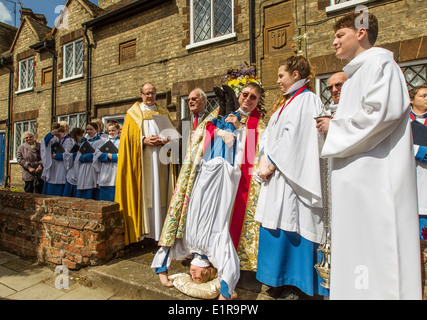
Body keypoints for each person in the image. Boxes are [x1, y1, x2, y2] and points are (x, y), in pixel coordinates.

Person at [320, 11, 421, 299]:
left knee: (376, 253)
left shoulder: (380, 65)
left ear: (361, 32)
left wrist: (335, 127)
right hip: (357, 181)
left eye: (340, 35)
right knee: (357, 248)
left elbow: (380, 114)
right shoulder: (356, 74)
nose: (334, 42)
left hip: (375, 182)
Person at [154, 82, 266, 300]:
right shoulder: (216, 247)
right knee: (221, 137)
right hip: (226, 173)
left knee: (213, 164)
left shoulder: (259, 125)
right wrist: (226, 291)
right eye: (246, 95)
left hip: (220, 173)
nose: (249, 99)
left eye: (253, 97)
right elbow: (204, 134)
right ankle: (228, 107)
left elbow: (252, 156)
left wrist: (163, 271)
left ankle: (227, 109)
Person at [254, 56, 327, 298]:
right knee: (275, 224)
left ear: (296, 75)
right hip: (276, 178)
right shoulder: (286, 103)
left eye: (281, 76)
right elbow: (270, 134)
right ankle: (277, 279)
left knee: (293, 223)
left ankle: (296, 283)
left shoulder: (308, 100)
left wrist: (271, 164)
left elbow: (295, 140)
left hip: (293, 179)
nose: (277, 81)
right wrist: (264, 155)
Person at [115, 83, 175, 245]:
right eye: (147, 93)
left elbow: (173, 138)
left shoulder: (163, 112)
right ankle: (144, 234)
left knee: (161, 193)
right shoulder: (133, 114)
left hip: (162, 162)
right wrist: (143, 140)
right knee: (147, 194)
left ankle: (161, 231)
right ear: (140, 95)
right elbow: (126, 141)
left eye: (153, 93)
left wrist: (167, 140)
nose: (150, 96)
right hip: (142, 162)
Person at [409, 84, 427, 239]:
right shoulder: (403, 121)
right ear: (411, 99)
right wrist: (418, 151)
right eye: (423, 95)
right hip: (412, 177)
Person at [178, 88, 208, 167]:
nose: (190, 101)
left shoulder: (211, 119)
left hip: (204, 163)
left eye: (194, 99)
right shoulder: (184, 121)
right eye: (188, 100)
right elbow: (178, 143)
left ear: (203, 100)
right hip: (187, 165)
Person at [41, 122, 74, 196]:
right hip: (53, 167)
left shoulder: (70, 140)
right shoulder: (54, 139)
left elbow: (71, 155)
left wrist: (57, 156)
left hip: (63, 167)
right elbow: (45, 143)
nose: (58, 136)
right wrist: (51, 134)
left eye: (59, 134)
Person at [75, 122, 103, 199]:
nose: (89, 131)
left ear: (96, 130)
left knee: (91, 187)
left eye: (91, 129)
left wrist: (87, 156)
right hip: (83, 168)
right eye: (87, 129)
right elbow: (78, 157)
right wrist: (84, 157)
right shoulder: (84, 142)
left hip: (92, 168)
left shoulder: (100, 141)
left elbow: (97, 155)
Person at [94, 122, 120, 201]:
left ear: (118, 130)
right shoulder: (103, 141)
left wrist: (113, 157)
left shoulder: (121, 141)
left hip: (116, 169)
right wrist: (106, 156)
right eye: (109, 131)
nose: (111, 132)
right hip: (105, 169)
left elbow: (125, 155)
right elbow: (97, 154)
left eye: (113, 130)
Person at [63, 127, 85, 197]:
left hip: (80, 167)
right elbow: (66, 154)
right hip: (72, 168)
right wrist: (74, 154)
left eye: (78, 138)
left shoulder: (85, 142)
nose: (76, 140)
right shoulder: (70, 142)